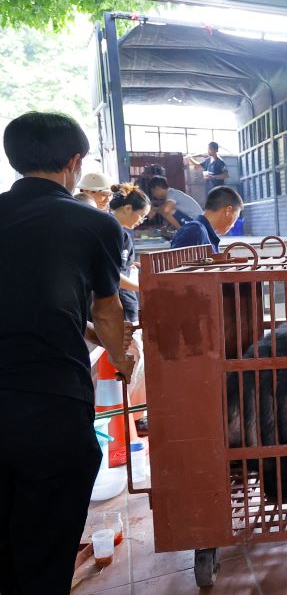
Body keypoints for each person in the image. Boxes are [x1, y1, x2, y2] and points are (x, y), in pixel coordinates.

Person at [0, 111, 132, 594]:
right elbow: (109, 310)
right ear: (74, 162)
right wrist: (123, 357)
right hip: (48, 405)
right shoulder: (92, 223)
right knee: (43, 546)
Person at [108, 184, 151, 322]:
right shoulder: (111, 231)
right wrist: (144, 287)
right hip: (116, 307)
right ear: (127, 209)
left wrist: (130, 268)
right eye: (142, 216)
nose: (141, 221)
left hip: (124, 304)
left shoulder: (121, 233)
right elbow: (111, 274)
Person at [169, 185, 243, 253]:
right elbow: (177, 266)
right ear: (228, 211)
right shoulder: (194, 231)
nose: (233, 225)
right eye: (236, 217)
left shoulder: (205, 233)